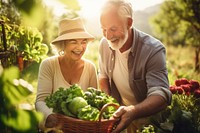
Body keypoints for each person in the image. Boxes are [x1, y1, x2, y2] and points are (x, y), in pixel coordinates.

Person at [98, 0, 172, 132]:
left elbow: (161, 95)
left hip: (149, 122)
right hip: (120, 118)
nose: (108, 36)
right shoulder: (104, 44)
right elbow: (103, 76)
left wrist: (132, 111)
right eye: (104, 30)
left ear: (129, 23)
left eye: (113, 29)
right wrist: (110, 108)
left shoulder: (153, 50)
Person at [35, 17, 98, 131]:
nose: (80, 47)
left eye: (83, 41)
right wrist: (50, 116)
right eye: (73, 41)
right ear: (62, 44)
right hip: (53, 129)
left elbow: (93, 105)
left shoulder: (90, 68)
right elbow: (40, 101)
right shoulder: (48, 65)